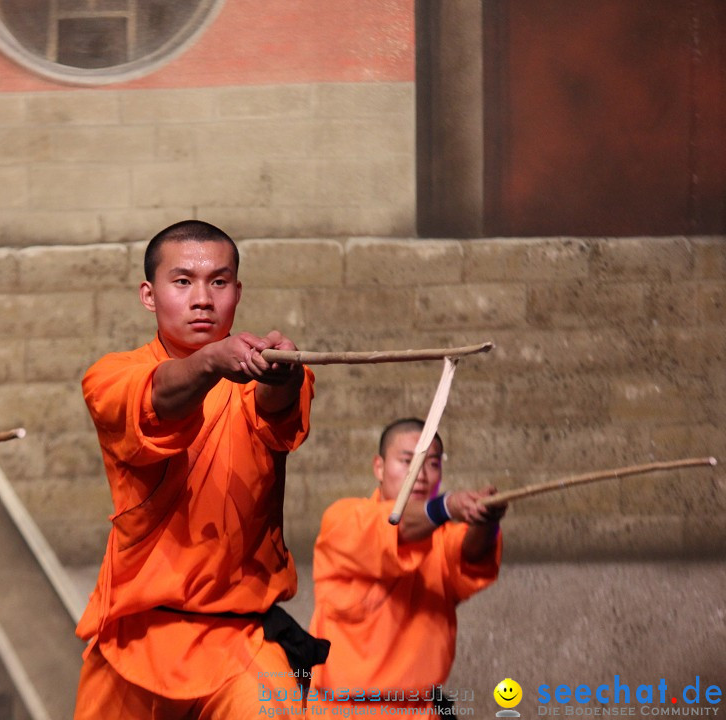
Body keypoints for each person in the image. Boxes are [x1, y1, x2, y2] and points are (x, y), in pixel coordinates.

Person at [73, 220, 328, 719]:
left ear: (237, 291)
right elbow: (158, 399)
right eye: (182, 281)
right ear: (149, 295)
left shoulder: (264, 371)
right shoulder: (110, 375)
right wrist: (211, 363)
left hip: (244, 640)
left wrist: (285, 373)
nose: (202, 299)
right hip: (135, 636)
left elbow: (277, 409)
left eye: (218, 281)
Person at [309, 417, 506, 710]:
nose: (421, 475)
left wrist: (486, 522)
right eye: (407, 461)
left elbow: (471, 554)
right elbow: (391, 526)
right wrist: (447, 506)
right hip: (341, 711)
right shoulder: (343, 519)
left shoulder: (444, 535)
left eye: (433, 463)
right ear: (379, 467)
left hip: (419, 710)